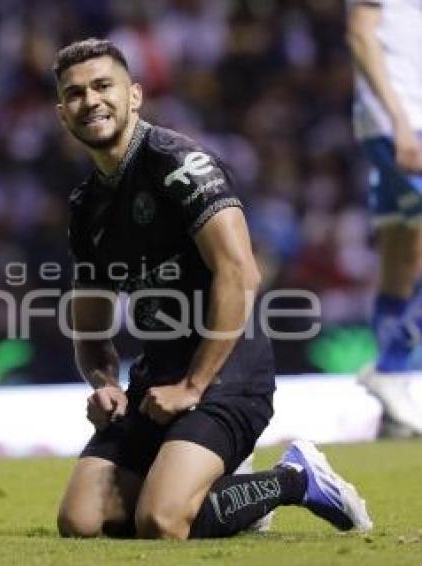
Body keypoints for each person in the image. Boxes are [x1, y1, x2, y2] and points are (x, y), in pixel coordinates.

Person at [53, 38, 372, 540]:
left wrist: (194, 387)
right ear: (62, 114)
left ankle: (295, 478)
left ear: (134, 95)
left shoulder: (181, 164)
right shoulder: (86, 207)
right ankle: (221, 492)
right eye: (74, 94)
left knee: (160, 521)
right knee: (82, 521)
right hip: (158, 380)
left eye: (102, 86)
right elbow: (90, 326)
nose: (89, 100)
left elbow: (240, 273)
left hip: (228, 373)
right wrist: (105, 384)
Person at [347, 0, 422, 435]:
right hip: (399, 123)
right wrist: (399, 121)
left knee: (401, 248)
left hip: (406, 120)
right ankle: (392, 369)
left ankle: (393, 386)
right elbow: (360, 34)